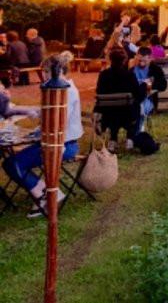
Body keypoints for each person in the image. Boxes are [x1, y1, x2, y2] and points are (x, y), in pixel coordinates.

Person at [2, 53, 83, 216]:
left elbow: (56, 122)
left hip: (64, 145)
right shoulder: (62, 88)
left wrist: (40, 118)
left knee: (13, 164)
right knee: (12, 161)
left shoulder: (66, 91)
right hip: (55, 142)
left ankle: (47, 195)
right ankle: (45, 192)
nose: (42, 77)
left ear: (53, 72)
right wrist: (37, 121)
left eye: (44, 72)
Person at [96, 48, 142, 152]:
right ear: (124, 60)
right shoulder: (129, 75)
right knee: (136, 105)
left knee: (114, 109)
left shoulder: (103, 75)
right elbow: (137, 93)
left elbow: (99, 92)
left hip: (108, 115)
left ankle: (113, 139)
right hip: (127, 114)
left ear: (110, 59)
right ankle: (130, 138)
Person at [130, 47, 167, 130]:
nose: (141, 63)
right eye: (139, 60)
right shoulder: (132, 70)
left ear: (150, 59)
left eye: (144, 61)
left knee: (140, 107)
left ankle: (138, 131)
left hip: (148, 99)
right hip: (134, 99)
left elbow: (163, 85)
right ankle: (137, 131)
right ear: (136, 57)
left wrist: (151, 85)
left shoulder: (156, 70)